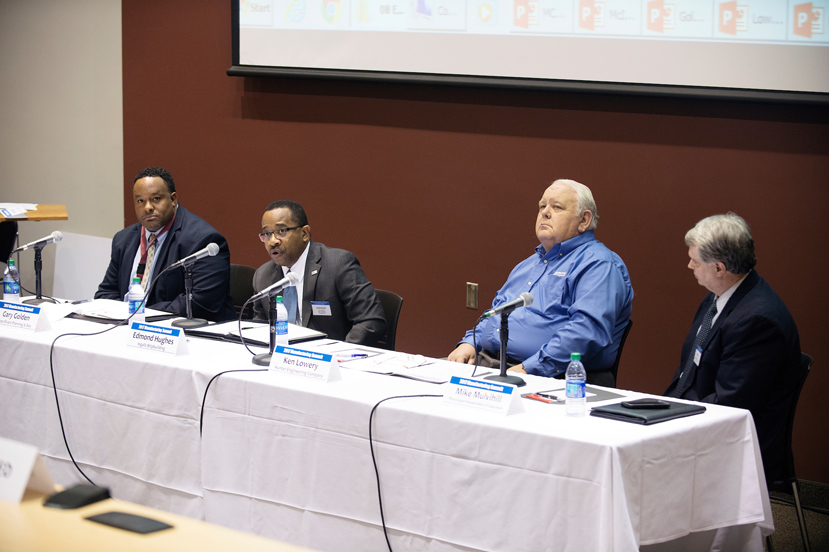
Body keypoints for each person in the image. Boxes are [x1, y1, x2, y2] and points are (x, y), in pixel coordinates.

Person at [448, 179, 633, 386]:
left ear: (584, 220)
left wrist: (529, 368)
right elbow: (496, 313)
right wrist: (469, 343)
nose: (545, 212)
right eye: (542, 206)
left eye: (557, 207)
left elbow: (586, 332)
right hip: (490, 365)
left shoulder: (599, 265)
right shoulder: (528, 264)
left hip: (552, 379)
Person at [664, 213, 801, 484]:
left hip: (736, 437)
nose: (689, 265)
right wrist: (661, 408)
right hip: (702, 413)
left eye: (695, 260)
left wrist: (673, 420)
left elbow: (732, 404)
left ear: (719, 268)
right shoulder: (718, 298)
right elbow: (689, 371)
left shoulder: (756, 320)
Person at [95, 167, 235, 321]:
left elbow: (200, 302)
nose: (147, 207)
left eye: (156, 199)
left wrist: (139, 314)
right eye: (140, 201)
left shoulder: (203, 240)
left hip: (188, 333)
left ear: (173, 199)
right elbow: (106, 293)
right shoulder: (123, 239)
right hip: (128, 327)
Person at [252, 200, 386, 345]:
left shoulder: (338, 265)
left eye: (281, 231)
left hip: (330, 361)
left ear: (304, 233)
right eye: (266, 233)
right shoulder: (263, 276)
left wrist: (338, 357)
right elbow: (260, 329)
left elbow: (371, 321)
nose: (272, 241)